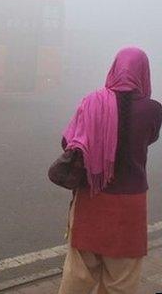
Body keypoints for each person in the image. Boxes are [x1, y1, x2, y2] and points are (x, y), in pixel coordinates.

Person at [58, 47, 162, 293]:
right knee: (122, 280)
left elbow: (69, 144)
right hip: (130, 205)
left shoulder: (92, 101)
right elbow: (149, 139)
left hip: (92, 197)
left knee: (78, 274)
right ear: (144, 73)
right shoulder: (154, 109)